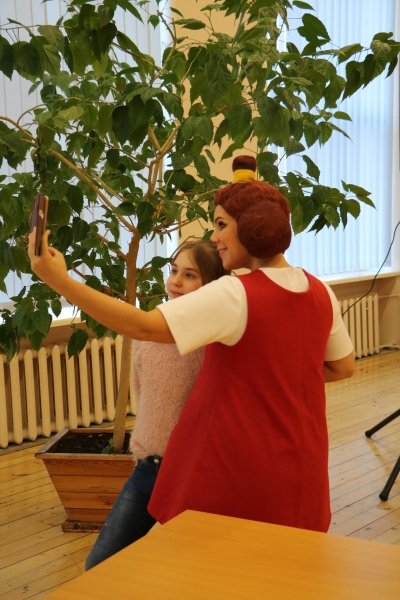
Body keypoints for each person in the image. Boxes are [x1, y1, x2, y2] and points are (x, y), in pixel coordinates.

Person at [29, 155, 355, 535]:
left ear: (253, 227)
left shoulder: (235, 293)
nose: (213, 237)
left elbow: (144, 327)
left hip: (237, 466)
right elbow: (342, 367)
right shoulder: (321, 292)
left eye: (221, 225)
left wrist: (61, 281)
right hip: (301, 464)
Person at [85, 240, 228, 569]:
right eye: (174, 271)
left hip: (195, 473)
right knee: (100, 564)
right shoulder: (147, 331)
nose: (175, 281)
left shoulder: (215, 338)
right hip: (149, 466)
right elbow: (143, 392)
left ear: (213, 286)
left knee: (191, 570)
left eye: (190, 275)